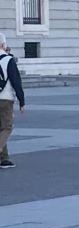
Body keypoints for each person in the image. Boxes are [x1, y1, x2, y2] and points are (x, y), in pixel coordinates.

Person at [0, 33, 25, 169]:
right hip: (5, 98)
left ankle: (4, 159)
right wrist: (22, 101)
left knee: (1, 129)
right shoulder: (8, 60)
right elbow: (16, 81)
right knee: (7, 127)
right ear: (3, 45)